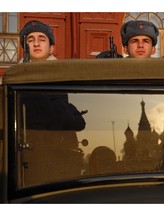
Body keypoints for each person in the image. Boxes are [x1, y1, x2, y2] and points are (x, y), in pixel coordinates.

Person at [18, 20, 87, 185]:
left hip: (58, 157)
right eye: (30, 39)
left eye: (42, 39)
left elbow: (72, 122)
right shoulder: (13, 80)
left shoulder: (64, 79)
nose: (36, 43)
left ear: (51, 48)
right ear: (24, 47)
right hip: (23, 155)